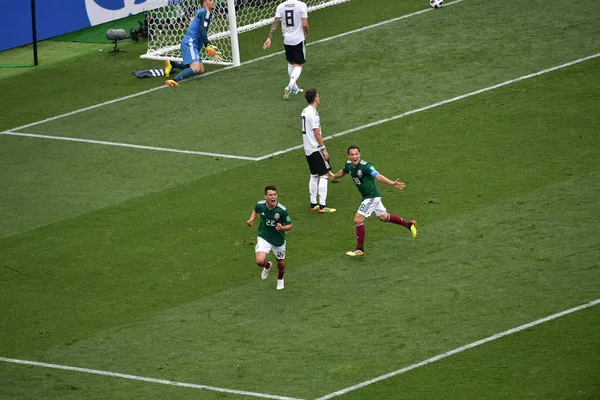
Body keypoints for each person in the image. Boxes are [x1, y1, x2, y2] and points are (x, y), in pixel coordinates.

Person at [331, 145, 418, 257]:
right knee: (384, 217)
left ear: (360, 154)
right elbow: (342, 171)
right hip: (368, 197)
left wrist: (392, 183)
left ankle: (360, 249)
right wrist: (334, 176)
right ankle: (409, 225)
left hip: (372, 197)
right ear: (348, 156)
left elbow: (378, 176)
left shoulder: (366, 167)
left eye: (356, 154)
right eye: (352, 154)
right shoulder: (349, 165)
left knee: (358, 219)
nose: (354, 156)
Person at [246, 185, 293, 290]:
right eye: (270, 195)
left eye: (275, 194)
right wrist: (251, 219)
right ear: (265, 197)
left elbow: (290, 226)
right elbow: (256, 210)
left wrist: (282, 228)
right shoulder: (260, 205)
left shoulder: (282, 210)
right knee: (259, 261)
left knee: (280, 262)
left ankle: (280, 278)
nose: (273, 197)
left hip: (278, 240)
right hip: (264, 236)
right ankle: (267, 265)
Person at [263, 0, 309, 100]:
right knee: (299, 64)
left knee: (291, 63)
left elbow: (275, 23)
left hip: (287, 40)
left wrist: (269, 38)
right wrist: (307, 33)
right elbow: (305, 24)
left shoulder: (280, 6)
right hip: (298, 39)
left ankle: (294, 88)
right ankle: (290, 85)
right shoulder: (301, 5)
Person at [164, 0, 217, 87]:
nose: (213, 1)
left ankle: (173, 64)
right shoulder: (204, 12)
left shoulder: (205, 13)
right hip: (190, 42)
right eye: (210, 0)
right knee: (196, 68)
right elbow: (202, 30)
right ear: (204, 4)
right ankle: (173, 80)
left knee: (200, 70)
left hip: (194, 43)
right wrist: (207, 44)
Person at [301, 89, 336, 213]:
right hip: (315, 148)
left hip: (307, 148)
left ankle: (313, 203)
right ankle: (322, 206)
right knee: (324, 175)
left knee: (314, 174)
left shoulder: (305, 111)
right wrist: (323, 149)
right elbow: (316, 132)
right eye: (318, 96)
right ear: (315, 98)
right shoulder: (313, 113)